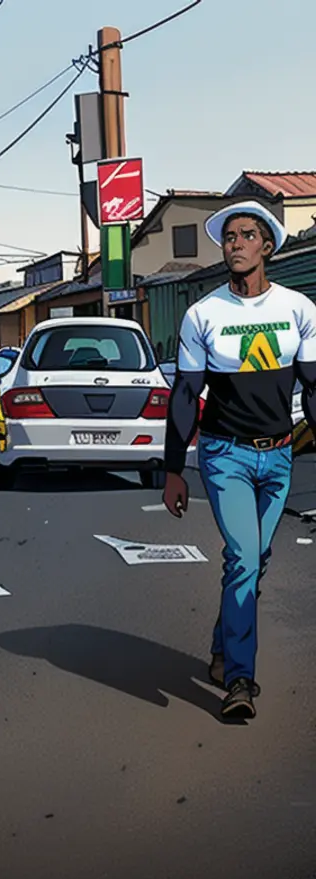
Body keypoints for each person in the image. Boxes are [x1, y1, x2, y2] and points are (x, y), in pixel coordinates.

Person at [162, 199, 316, 720]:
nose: (235, 244)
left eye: (247, 235)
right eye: (229, 237)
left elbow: (313, 389)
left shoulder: (298, 310)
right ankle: (240, 681)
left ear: (267, 246)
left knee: (254, 561)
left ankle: (224, 647)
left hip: (278, 458)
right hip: (224, 454)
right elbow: (185, 394)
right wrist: (173, 471)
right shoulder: (203, 315)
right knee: (246, 560)